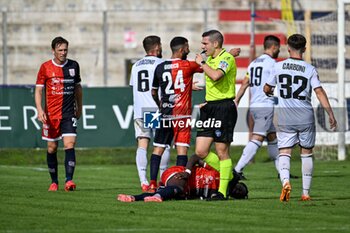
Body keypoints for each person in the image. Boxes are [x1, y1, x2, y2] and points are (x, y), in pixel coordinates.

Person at [264, 34, 337, 202]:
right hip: (305, 116)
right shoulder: (310, 69)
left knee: (284, 152)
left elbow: (267, 88)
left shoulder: (278, 66)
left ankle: (286, 182)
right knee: (306, 153)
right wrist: (330, 114)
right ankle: (305, 193)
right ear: (304, 49)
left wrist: (268, 91)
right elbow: (319, 92)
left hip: (285, 117)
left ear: (288, 48)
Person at [148, 36, 203, 192]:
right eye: (187, 48)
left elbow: (153, 92)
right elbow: (207, 67)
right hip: (182, 116)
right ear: (181, 50)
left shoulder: (160, 67)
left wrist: (160, 105)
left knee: (158, 149)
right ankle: (179, 184)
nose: (189, 50)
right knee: (182, 149)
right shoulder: (188, 65)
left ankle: (152, 183)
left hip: (165, 114)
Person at [194, 29, 237, 200]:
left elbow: (217, 76)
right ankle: (230, 175)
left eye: (205, 43)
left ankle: (222, 191)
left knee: (221, 151)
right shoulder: (211, 59)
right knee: (201, 151)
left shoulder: (226, 58)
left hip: (224, 108)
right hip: (209, 107)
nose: (202, 46)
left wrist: (202, 63)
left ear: (215, 44)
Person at [35, 36, 82, 192]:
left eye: (65, 50)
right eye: (60, 50)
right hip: (51, 115)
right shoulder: (45, 67)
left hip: (68, 113)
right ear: (53, 50)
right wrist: (40, 109)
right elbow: (39, 90)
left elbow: (78, 88)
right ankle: (54, 182)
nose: (63, 53)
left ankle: (69, 181)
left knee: (69, 144)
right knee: (52, 148)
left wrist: (79, 107)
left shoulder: (74, 65)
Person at [233, 35, 281, 179]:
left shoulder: (253, 63)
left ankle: (282, 172)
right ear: (273, 47)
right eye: (278, 48)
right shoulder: (272, 63)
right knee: (258, 138)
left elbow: (244, 84)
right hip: (264, 105)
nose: (279, 50)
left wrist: (236, 101)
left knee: (272, 138)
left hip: (254, 105)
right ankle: (237, 170)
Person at [129, 35, 171, 192]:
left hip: (140, 109)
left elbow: (133, 86)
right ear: (157, 47)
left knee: (142, 144)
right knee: (163, 145)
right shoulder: (161, 64)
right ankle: (161, 179)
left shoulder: (136, 65)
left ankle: (143, 181)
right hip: (156, 109)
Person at [117, 154, 248, 202]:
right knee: (178, 187)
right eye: (240, 188)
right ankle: (157, 197)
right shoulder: (219, 173)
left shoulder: (218, 194)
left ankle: (134, 197)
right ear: (236, 183)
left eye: (240, 194)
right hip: (178, 173)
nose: (239, 191)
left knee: (176, 191)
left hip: (184, 188)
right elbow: (195, 157)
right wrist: (187, 171)